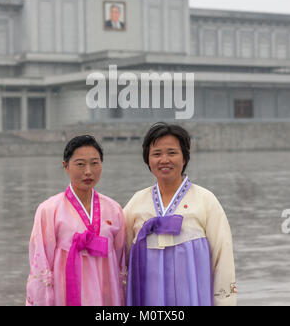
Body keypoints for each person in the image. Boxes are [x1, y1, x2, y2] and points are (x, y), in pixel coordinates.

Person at [123, 122, 236, 306]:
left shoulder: (205, 200)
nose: (164, 160)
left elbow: (223, 259)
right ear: (148, 160)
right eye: (157, 154)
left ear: (184, 158)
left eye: (172, 153)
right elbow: (120, 257)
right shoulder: (137, 203)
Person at [26, 135, 126, 306]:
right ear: (66, 166)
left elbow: (120, 261)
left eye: (94, 163)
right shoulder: (49, 210)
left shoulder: (114, 209)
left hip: (106, 292)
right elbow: (41, 262)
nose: (88, 171)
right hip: (64, 292)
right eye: (80, 164)